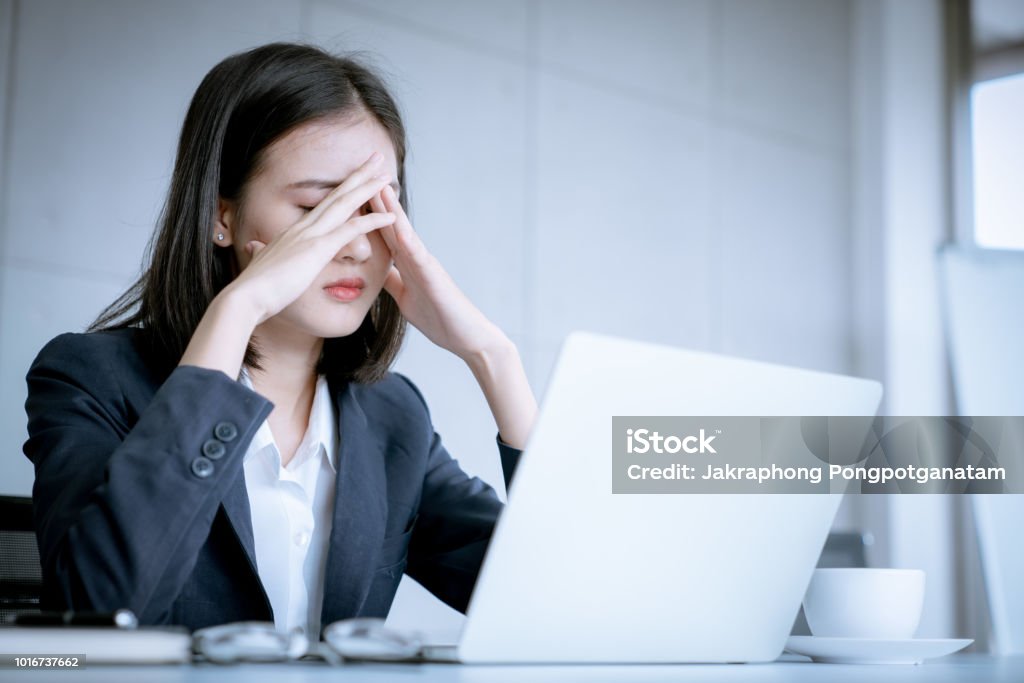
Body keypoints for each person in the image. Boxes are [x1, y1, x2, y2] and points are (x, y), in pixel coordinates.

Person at [22, 42, 537, 639]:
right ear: (223, 217)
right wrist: (237, 308)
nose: (358, 245)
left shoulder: (394, 417)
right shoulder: (91, 377)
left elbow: (553, 602)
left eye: (376, 210)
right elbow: (99, 610)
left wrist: (493, 357)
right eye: (322, 208)